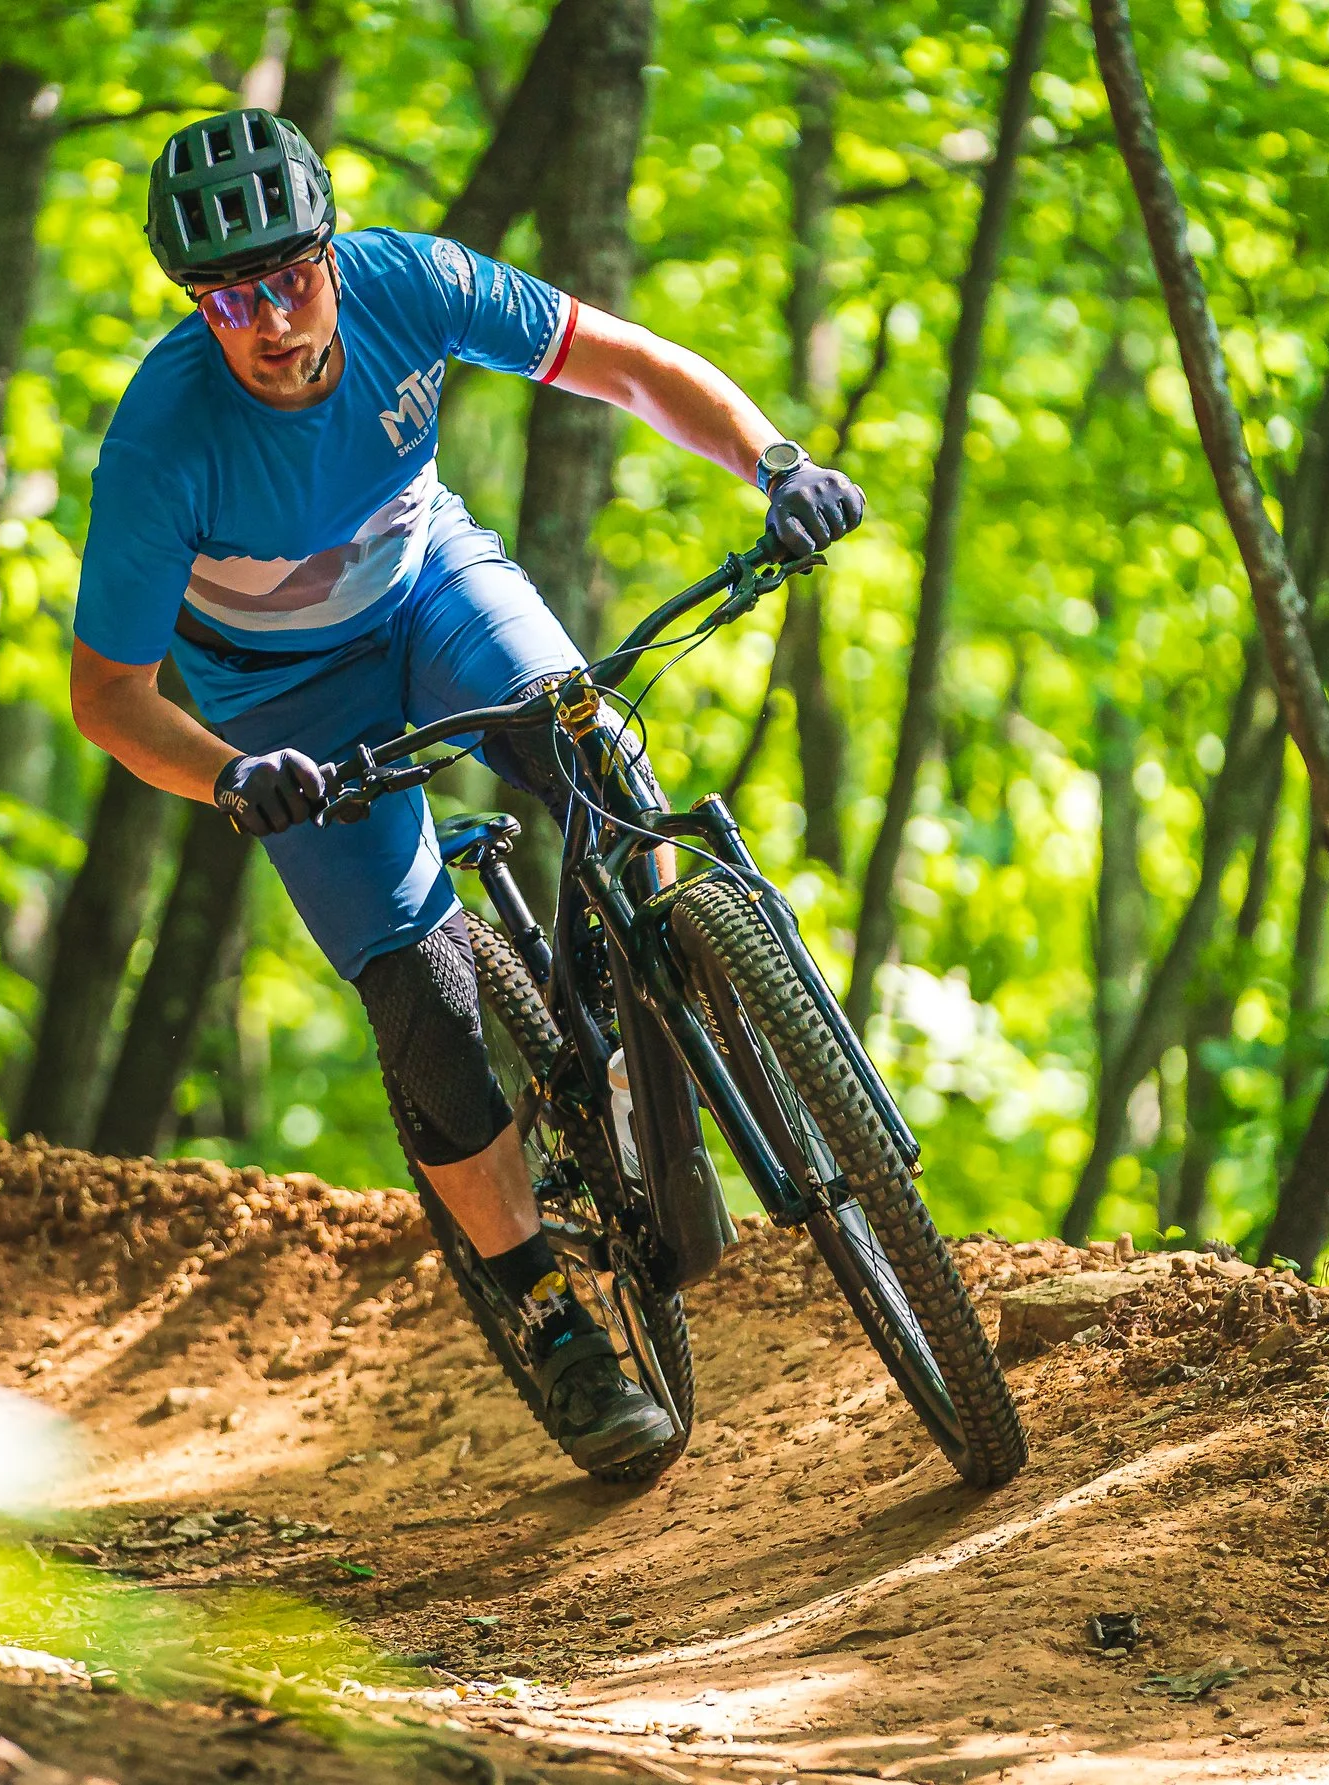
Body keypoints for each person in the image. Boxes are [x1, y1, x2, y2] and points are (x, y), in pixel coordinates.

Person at [69, 109, 864, 1470]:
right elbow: (111, 697)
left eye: (289, 277)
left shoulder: (410, 285)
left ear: (331, 249)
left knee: (595, 743)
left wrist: (773, 460)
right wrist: (233, 775)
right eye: (227, 298)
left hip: (432, 585)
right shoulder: (164, 439)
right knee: (422, 1000)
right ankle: (549, 1315)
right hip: (279, 703)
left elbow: (624, 367)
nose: (268, 319)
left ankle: (646, 1016)